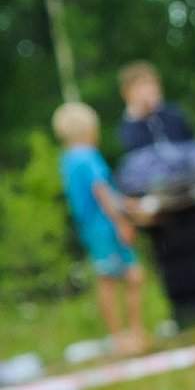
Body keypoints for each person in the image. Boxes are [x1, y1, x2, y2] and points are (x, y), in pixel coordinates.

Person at [53, 102, 148, 357]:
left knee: (108, 280)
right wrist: (122, 221)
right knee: (132, 276)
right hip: (106, 226)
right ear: (89, 129)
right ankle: (132, 334)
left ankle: (120, 337)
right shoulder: (88, 157)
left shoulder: (68, 161)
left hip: (91, 228)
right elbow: (102, 191)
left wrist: (127, 203)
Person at [114, 61, 195, 194]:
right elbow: (138, 162)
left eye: (152, 84)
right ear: (127, 93)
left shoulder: (173, 114)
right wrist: (141, 114)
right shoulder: (128, 127)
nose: (150, 90)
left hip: (190, 179)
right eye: (142, 86)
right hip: (158, 187)